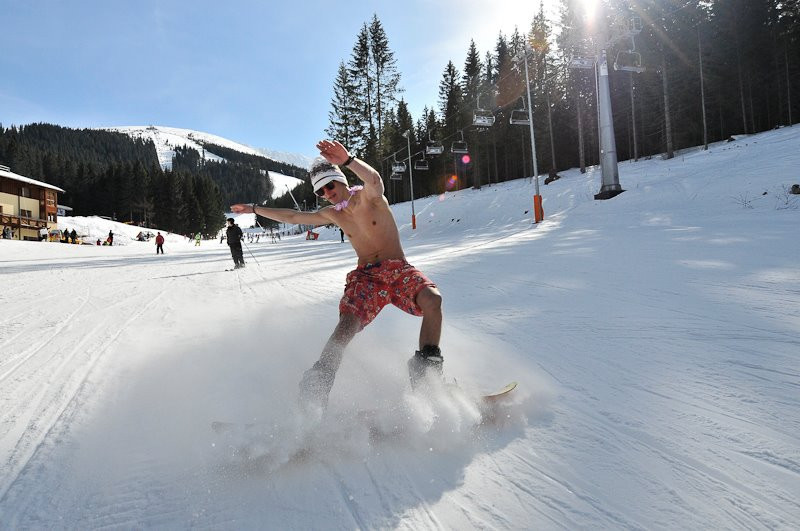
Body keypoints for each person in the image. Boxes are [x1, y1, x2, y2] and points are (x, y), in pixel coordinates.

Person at [230, 139, 443, 415]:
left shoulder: (371, 198)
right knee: (346, 327)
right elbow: (294, 217)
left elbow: (375, 179)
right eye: (321, 191)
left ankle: (426, 377)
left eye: (330, 185)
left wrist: (348, 160)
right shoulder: (332, 214)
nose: (327, 194)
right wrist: (255, 209)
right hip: (366, 278)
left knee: (432, 300)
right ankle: (314, 393)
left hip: (399, 270)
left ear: (341, 180)